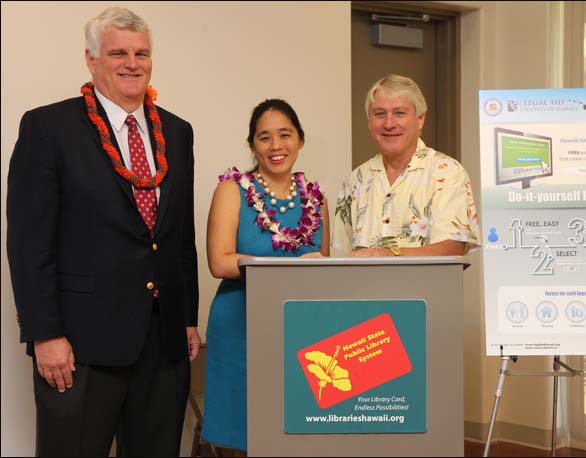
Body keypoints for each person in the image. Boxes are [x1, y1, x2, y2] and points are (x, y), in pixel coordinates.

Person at [6, 7, 199, 457]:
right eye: (118, 53)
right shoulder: (48, 127)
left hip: (162, 340)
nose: (132, 63)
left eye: (141, 53)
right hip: (79, 342)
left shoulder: (177, 131)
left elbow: (178, 235)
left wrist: (186, 315)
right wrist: (45, 333)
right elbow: (28, 243)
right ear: (92, 60)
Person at [203, 98, 329, 454]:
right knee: (243, 430)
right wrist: (283, 266)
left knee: (296, 431)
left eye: (285, 135)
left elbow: (321, 267)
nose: (276, 146)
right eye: (264, 137)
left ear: (300, 140)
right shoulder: (233, 191)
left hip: (300, 328)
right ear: (252, 145)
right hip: (241, 325)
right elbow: (219, 262)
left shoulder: (315, 200)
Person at [333, 74, 480, 256]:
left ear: (420, 119)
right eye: (379, 114)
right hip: (361, 285)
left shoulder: (447, 172)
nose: (389, 123)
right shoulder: (356, 179)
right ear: (369, 122)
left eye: (399, 113)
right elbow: (340, 255)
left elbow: (452, 249)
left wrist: (388, 254)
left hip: (425, 285)